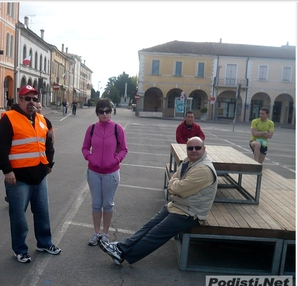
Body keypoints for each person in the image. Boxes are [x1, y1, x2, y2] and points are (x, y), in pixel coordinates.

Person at [98, 137, 217, 265]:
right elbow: (175, 182)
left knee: (155, 235)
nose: (193, 150)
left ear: (204, 149)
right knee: (148, 227)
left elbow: (178, 189)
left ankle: (123, 254)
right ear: (186, 149)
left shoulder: (203, 169)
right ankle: (121, 248)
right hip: (178, 205)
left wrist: (174, 184)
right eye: (190, 148)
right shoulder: (188, 162)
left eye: (197, 147)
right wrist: (175, 184)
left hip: (190, 213)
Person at [0, 84, 60, 264]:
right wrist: (7, 171)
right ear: (20, 99)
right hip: (18, 179)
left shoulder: (41, 119)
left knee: (42, 213)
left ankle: (44, 243)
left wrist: (49, 163)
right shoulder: (9, 119)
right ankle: (20, 250)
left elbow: (48, 144)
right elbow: (0, 148)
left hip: (39, 176)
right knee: (19, 217)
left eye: (34, 99)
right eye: (27, 98)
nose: (32, 102)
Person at [82, 99, 128, 246]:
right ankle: (96, 233)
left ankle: (105, 234)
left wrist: (115, 160)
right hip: (94, 172)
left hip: (111, 172)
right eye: (101, 111)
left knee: (107, 204)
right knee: (96, 203)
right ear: (97, 112)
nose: (105, 114)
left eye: (107, 111)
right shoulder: (91, 129)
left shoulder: (117, 129)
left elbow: (124, 149)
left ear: (111, 111)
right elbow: (84, 148)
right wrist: (91, 158)